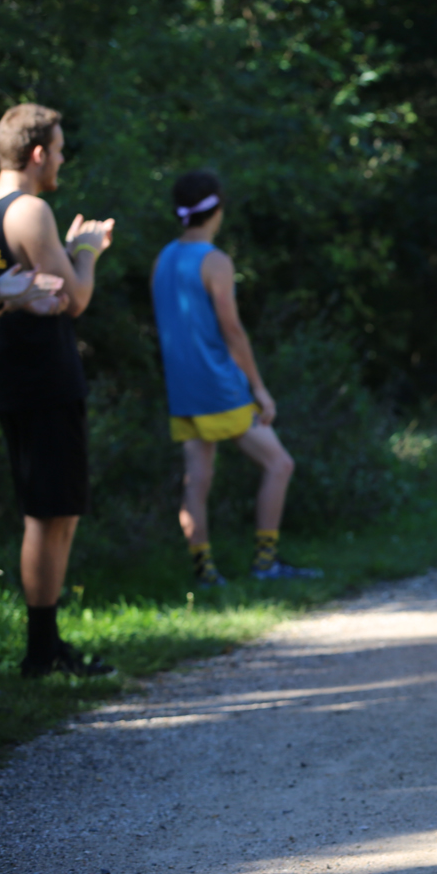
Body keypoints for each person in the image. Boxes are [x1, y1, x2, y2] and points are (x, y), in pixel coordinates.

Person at [0, 103, 116, 678]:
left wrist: (66, 257)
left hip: (15, 375)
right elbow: (75, 298)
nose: (62, 159)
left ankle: (48, 646)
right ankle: (41, 653)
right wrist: (87, 250)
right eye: (60, 150)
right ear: (38, 153)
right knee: (49, 512)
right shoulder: (31, 209)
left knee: (56, 510)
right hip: (43, 377)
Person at [151, 170, 316, 587]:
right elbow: (233, 331)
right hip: (219, 387)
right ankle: (265, 561)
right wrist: (259, 388)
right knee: (280, 463)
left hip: (182, 389)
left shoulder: (164, 258)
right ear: (216, 209)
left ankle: (204, 570)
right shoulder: (214, 261)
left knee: (198, 479)